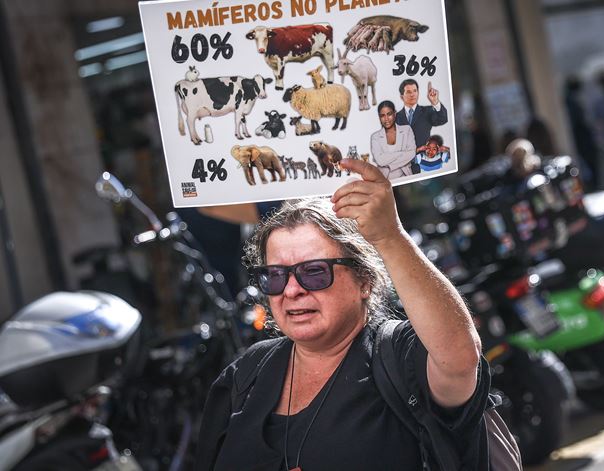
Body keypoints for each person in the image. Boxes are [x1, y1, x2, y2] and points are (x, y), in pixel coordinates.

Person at [196, 158, 489, 470]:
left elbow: (458, 357)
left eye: (314, 272)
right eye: (276, 275)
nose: (292, 290)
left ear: (364, 279)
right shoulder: (247, 371)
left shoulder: (398, 355)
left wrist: (390, 236)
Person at [370, 100, 417, 179]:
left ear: (395, 114)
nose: (386, 119)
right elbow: (380, 161)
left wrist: (389, 164)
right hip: (385, 180)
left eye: (389, 114)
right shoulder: (375, 137)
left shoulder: (406, 130)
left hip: (406, 177)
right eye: (382, 115)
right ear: (379, 117)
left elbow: (412, 153)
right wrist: (402, 153)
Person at [396, 78, 449, 149]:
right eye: (408, 92)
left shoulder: (427, 111)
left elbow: (443, 119)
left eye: (415, 91)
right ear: (401, 96)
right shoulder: (396, 116)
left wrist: (435, 102)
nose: (412, 94)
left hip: (423, 157)